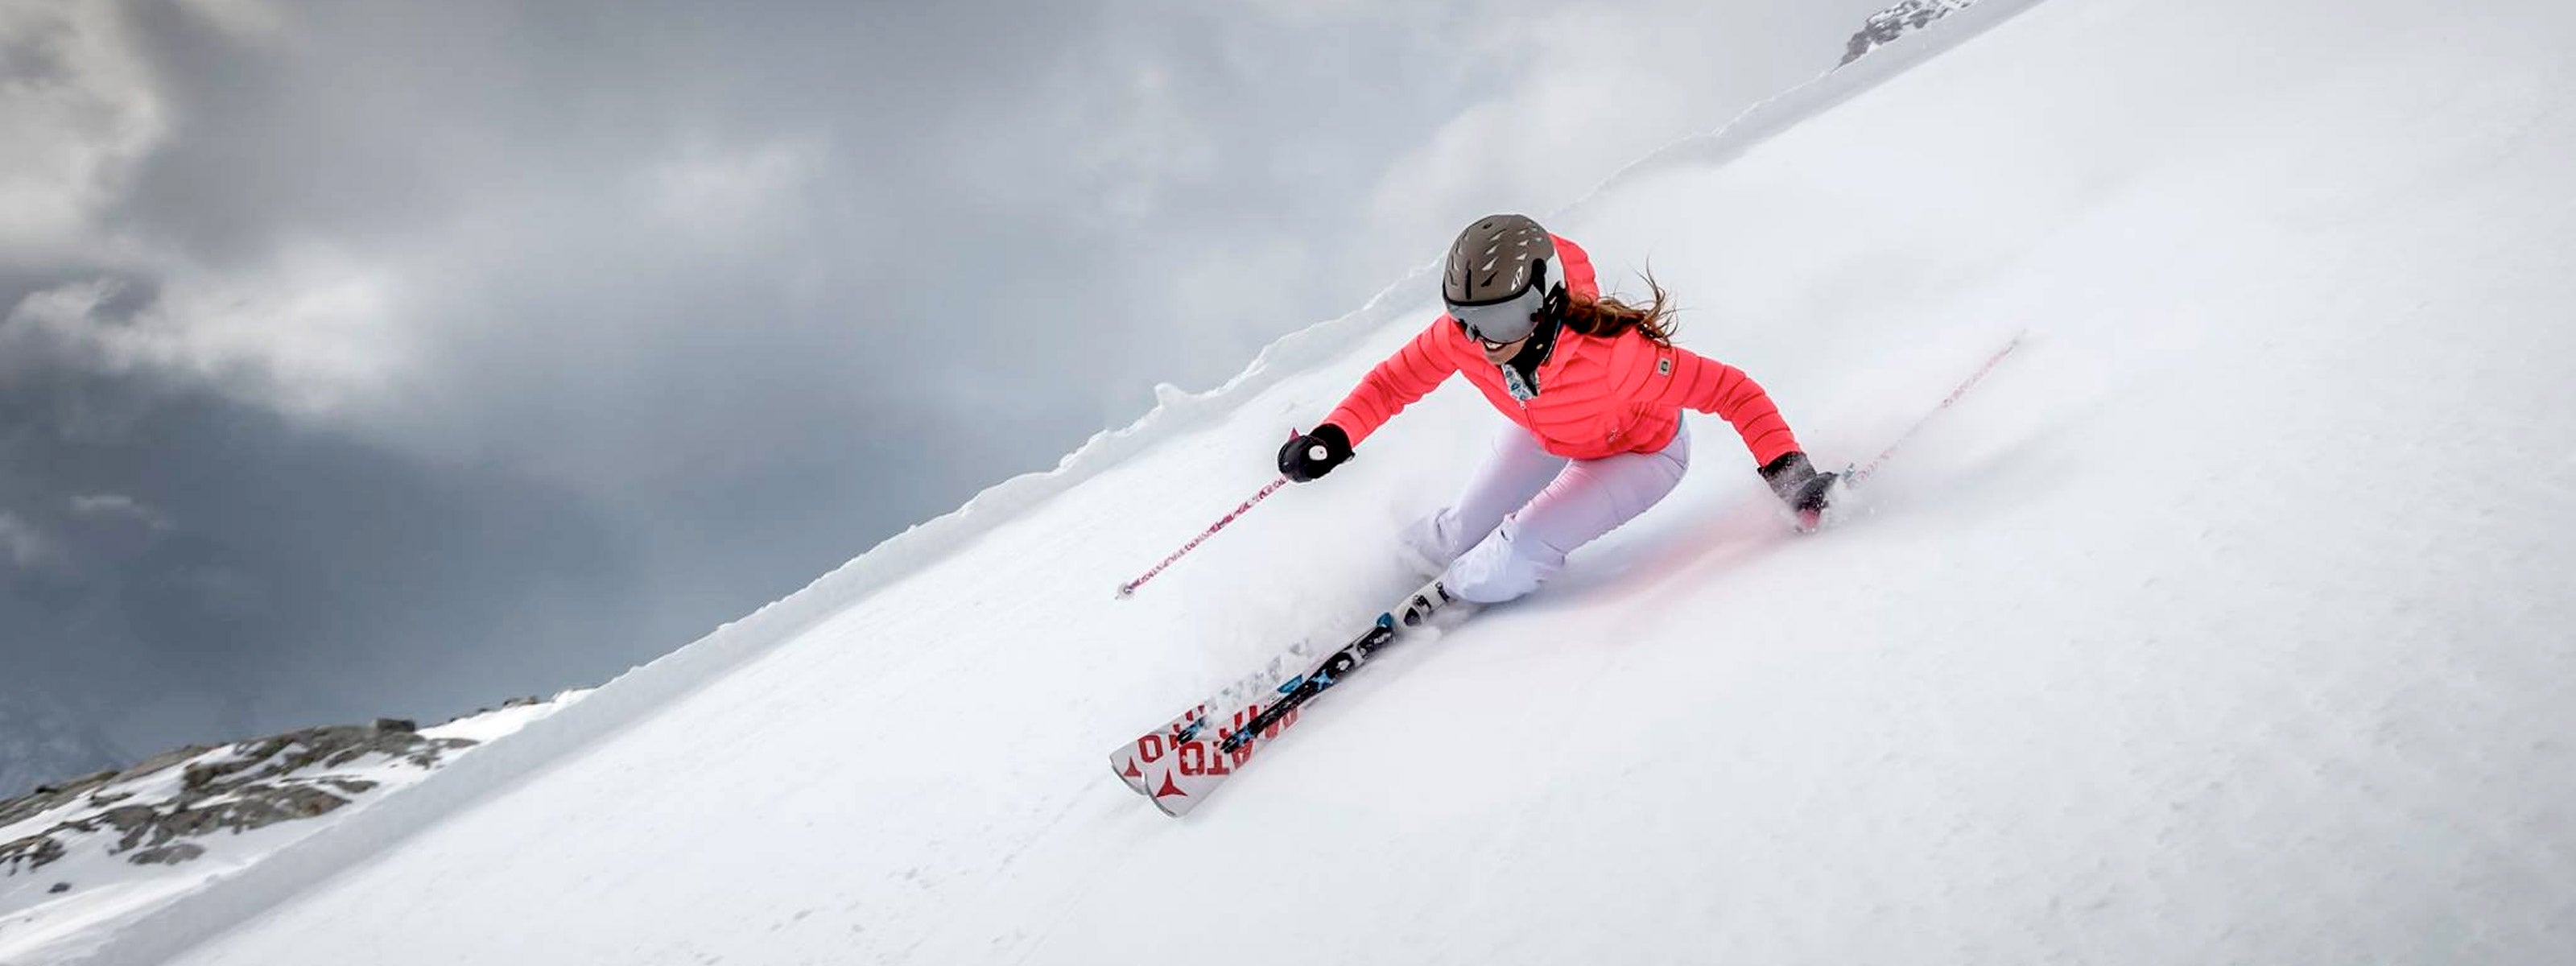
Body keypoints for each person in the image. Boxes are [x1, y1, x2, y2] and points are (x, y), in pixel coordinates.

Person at [1278, 213, 1836, 609]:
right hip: (1542, 431)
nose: (1481, 339)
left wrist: (1792, 478)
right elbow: (1393, 382)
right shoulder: (1463, 339)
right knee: (1459, 532)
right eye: (1466, 318)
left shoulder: (1618, 356)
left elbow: (1734, 392)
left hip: (1638, 454)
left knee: (1515, 553)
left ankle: (1446, 594)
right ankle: (1384, 585)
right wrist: (1334, 434)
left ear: (1543, 303)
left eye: (1498, 321)